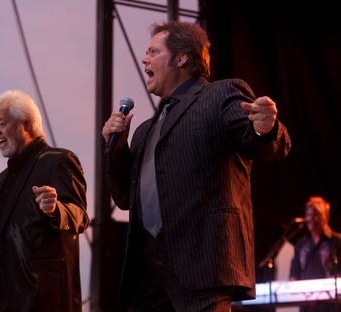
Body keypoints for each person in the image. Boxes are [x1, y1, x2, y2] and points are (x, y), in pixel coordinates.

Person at [101, 20, 292, 311]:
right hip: (149, 272)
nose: (144, 59)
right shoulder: (143, 130)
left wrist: (264, 128)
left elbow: (259, 143)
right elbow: (126, 199)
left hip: (202, 261)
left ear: (181, 58)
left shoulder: (220, 94)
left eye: (153, 51)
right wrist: (116, 150)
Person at [0, 89, 90, 312]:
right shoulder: (2, 178)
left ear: (25, 124)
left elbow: (80, 217)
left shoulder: (59, 160)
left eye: (1, 124)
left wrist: (55, 208)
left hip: (40, 296)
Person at [289, 196, 341, 312]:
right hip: (307, 306)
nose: (310, 219)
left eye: (315, 215)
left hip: (331, 306)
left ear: (324, 217)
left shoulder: (336, 242)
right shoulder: (301, 245)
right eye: (308, 215)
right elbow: (294, 275)